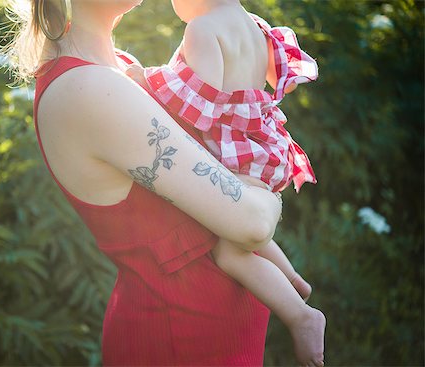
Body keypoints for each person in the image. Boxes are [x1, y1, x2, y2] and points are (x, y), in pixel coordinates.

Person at [0, 0, 317, 365]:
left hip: (211, 338)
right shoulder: (89, 89)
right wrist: (270, 172)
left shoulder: (121, 70)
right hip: (179, 342)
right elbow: (253, 224)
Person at [123, 0, 326, 365]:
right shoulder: (252, 23)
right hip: (262, 144)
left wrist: (145, 81)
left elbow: (199, 103)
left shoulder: (201, 29)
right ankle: (292, 279)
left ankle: (301, 316)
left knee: (230, 252)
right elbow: (272, 81)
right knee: (243, 233)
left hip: (239, 153)